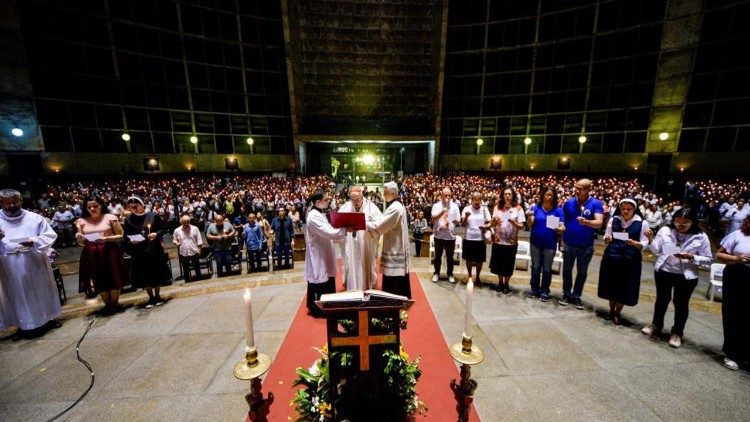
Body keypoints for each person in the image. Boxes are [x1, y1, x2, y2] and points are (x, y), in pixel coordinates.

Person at [642, 208, 712, 347]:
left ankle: (677, 333)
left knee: (681, 303)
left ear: (693, 222)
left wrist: (691, 256)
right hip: (664, 270)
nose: (680, 224)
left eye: (685, 222)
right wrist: (650, 239)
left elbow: (708, 260)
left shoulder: (701, 236)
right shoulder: (665, 231)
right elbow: (656, 251)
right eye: (677, 221)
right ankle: (656, 325)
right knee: (662, 299)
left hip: (686, 275)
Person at [0, 189, 63, 340]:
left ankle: (47, 319)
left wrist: (34, 241)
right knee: (16, 295)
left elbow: (49, 235)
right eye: (7, 203)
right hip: (8, 263)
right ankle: (22, 325)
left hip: (33, 259)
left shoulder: (34, 218)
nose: (12, 205)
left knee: (40, 290)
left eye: (15, 202)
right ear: (1, 203)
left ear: (21, 200)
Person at [597, 198, 650, 325]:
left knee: (624, 286)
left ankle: (618, 313)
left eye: (629, 209)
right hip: (613, 256)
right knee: (612, 284)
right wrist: (607, 239)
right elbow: (607, 235)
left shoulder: (642, 223)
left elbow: (645, 243)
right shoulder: (613, 219)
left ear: (634, 209)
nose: (625, 211)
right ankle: (611, 310)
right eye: (623, 208)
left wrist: (635, 243)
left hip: (630, 258)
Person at [76, 195, 128, 314]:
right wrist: (79, 237)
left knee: (113, 276)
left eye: (95, 206)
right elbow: (81, 243)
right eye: (89, 207)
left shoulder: (110, 217)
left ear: (101, 205)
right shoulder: (81, 221)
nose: (92, 209)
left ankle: (114, 304)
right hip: (92, 253)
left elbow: (120, 235)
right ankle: (107, 305)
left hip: (109, 250)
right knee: (98, 278)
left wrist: (106, 239)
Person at [560, 178, 604, 309]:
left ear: (588, 189)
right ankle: (566, 293)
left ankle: (577, 295)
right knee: (567, 270)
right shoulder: (569, 203)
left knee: (582, 272)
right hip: (568, 242)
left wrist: (587, 222)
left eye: (580, 188)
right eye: (576, 187)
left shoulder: (596, 203)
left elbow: (599, 223)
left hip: (585, 245)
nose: (577, 190)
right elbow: (563, 221)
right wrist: (561, 239)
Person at [122, 196, 171, 308]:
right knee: (145, 275)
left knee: (155, 273)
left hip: (154, 249)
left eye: (136, 206)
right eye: (132, 207)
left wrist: (156, 234)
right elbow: (126, 236)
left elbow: (162, 229)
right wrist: (131, 240)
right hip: (139, 250)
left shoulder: (152, 216)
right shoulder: (129, 220)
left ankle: (157, 296)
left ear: (142, 205)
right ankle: (151, 297)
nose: (134, 208)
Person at [715, 215, 750, 371]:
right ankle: (732, 353)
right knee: (733, 313)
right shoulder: (738, 235)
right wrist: (737, 258)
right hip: (737, 274)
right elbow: (719, 254)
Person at [304, 190, 347, 317]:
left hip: (324, 251)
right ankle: (319, 309)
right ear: (317, 202)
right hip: (318, 254)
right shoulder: (313, 216)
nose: (328, 202)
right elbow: (329, 232)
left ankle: (328, 305)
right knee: (320, 277)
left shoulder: (319, 213)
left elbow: (330, 230)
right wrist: (345, 228)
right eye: (326, 200)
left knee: (327, 275)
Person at [367, 182, 411, 298]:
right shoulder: (396, 205)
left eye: (386, 193)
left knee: (393, 273)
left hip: (395, 247)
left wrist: (364, 224)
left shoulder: (395, 207)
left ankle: (393, 300)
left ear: (393, 193)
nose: (384, 195)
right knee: (395, 274)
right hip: (395, 243)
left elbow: (381, 224)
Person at [339, 185, 382, 291]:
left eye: (357, 199)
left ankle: (368, 285)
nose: (355, 202)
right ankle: (351, 285)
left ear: (362, 197)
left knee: (366, 262)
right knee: (350, 260)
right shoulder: (346, 207)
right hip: (351, 242)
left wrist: (366, 224)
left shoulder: (371, 207)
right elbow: (339, 221)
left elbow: (380, 222)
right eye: (353, 200)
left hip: (366, 241)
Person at [526, 186, 565, 302]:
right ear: (542, 195)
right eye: (546, 195)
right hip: (535, 243)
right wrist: (529, 217)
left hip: (550, 244)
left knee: (547, 269)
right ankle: (534, 289)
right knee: (536, 267)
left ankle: (544, 291)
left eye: (551, 195)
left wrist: (561, 229)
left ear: (554, 197)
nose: (548, 197)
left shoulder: (558, 210)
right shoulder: (536, 207)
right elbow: (529, 225)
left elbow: (562, 225)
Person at [489, 187, 526, 294]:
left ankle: (506, 284)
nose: (507, 196)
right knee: (499, 264)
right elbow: (493, 224)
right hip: (498, 240)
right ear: (502, 195)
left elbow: (521, 226)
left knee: (508, 265)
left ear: (513, 195)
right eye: (505, 194)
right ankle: (500, 283)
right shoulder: (497, 208)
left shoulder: (518, 208)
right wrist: (495, 221)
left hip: (511, 242)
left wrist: (513, 222)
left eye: (509, 194)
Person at [431, 187, 461, 283]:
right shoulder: (436, 205)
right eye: (445, 195)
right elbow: (433, 219)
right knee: (437, 256)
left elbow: (458, 219)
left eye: (449, 195)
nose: (447, 197)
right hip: (439, 235)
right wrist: (441, 213)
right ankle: (436, 273)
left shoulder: (455, 206)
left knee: (450, 257)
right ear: (441, 195)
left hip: (450, 236)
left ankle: (450, 274)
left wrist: (456, 221)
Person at [460, 192, 491, 286]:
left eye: (479, 200)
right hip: (468, 237)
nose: (477, 202)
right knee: (468, 259)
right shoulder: (466, 209)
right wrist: (466, 217)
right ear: (471, 200)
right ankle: (469, 276)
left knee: (479, 260)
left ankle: (477, 277)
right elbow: (463, 225)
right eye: (475, 199)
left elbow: (490, 223)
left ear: (481, 200)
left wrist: (485, 226)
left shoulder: (484, 210)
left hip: (480, 239)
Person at [172, 215, 203, 282]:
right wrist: (176, 243)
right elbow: (174, 240)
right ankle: (187, 282)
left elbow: (199, 240)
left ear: (190, 221)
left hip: (194, 251)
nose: (186, 224)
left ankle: (200, 281)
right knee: (185, 269)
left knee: (197, 268)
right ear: (181, 222)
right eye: (184, 222)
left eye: (188, 222)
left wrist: (199, 249)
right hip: (184, 252)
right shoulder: (177, 230)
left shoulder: (195, 228)